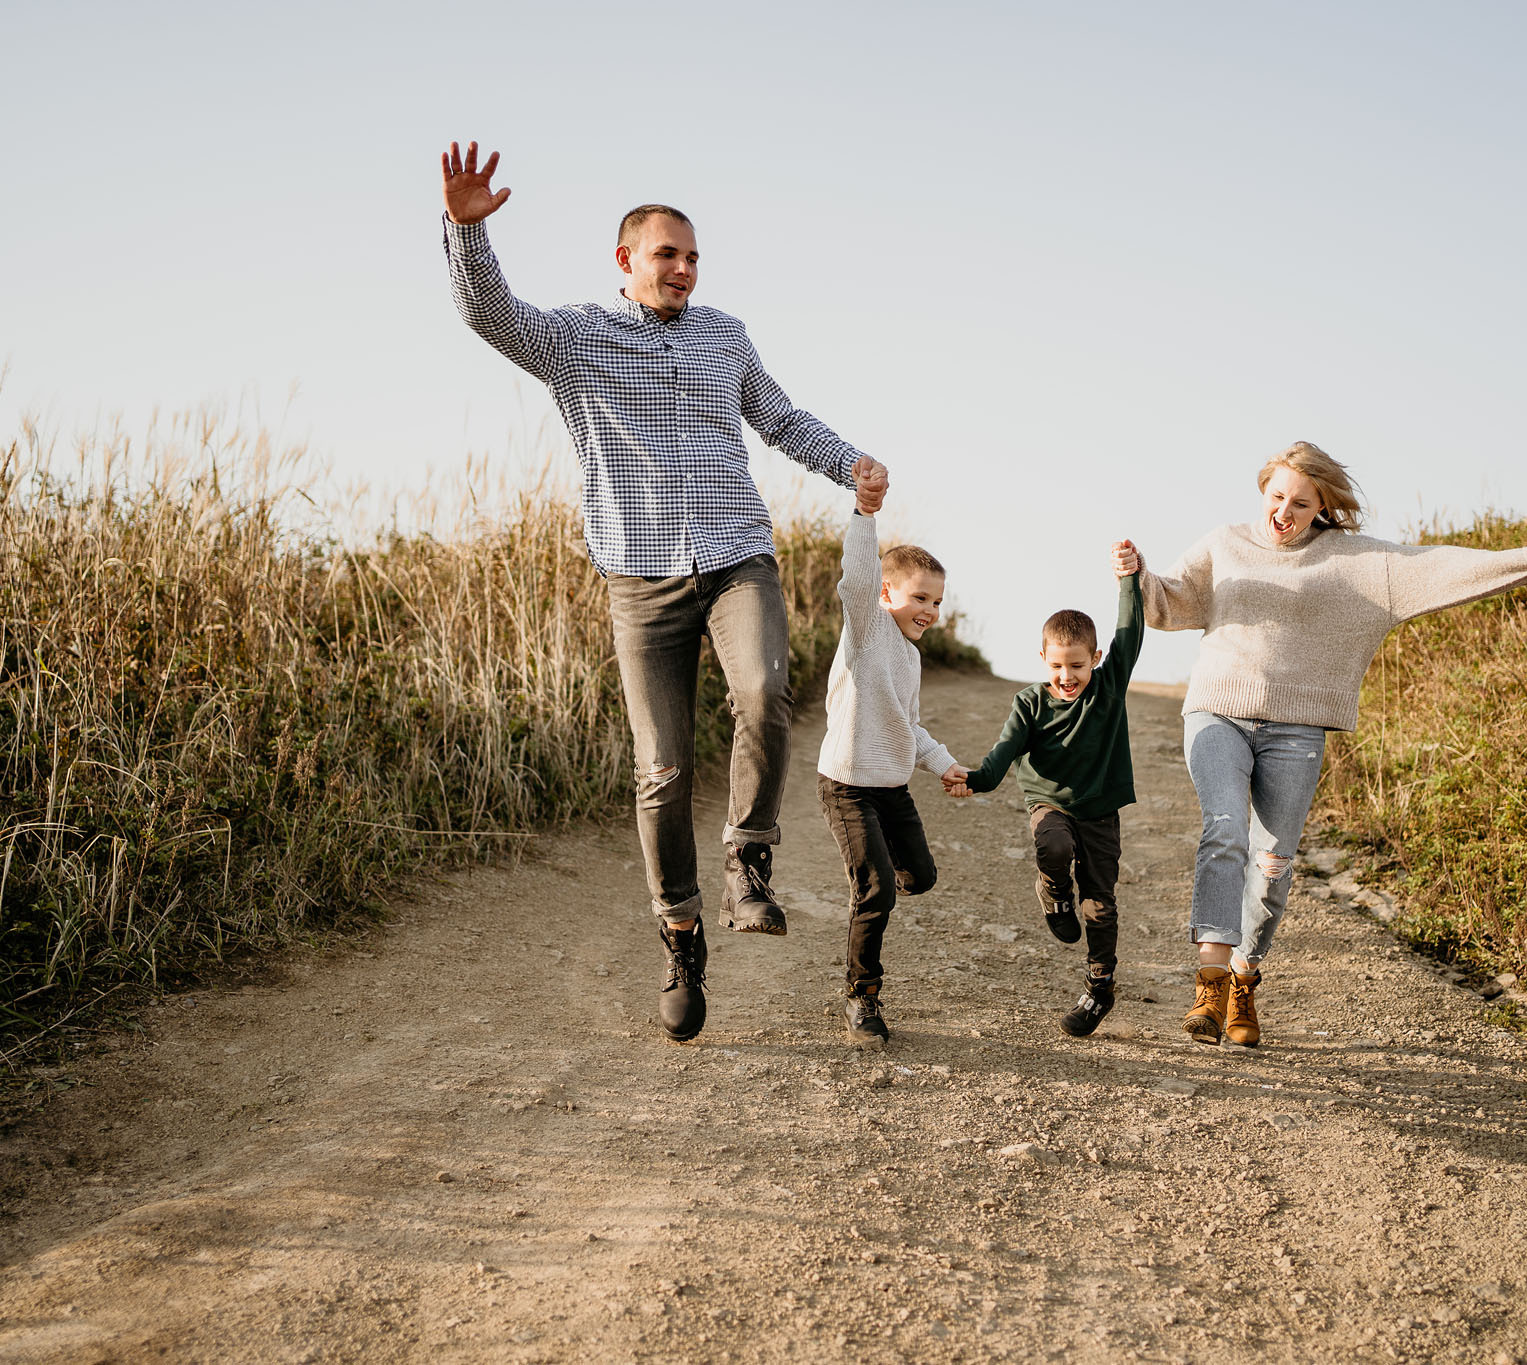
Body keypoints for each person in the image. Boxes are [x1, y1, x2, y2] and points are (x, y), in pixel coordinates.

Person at [438, 142, 889, 1043]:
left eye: (692, 258)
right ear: (626, 262)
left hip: (734, 555)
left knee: (765, 694)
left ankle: (747, 864)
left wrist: (849, 461)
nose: (683, 270)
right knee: (662, 769)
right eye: (666, 255)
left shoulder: (726, 334)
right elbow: (488, 314)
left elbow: (779, 416)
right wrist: (465, 229)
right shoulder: (576, 338)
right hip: (639, 579)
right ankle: (680, 935)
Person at [1118, 441, 1527, 1048]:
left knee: (1274, 864)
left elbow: (1435, 568)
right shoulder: (1224, 543)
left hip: (1297, 729)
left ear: (1323, 507)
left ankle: (1245, 977)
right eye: (1276, 496)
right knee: (1224, 829)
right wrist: (1138, 572)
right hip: (1216, 713)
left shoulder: (1356, 561)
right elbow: (1170, 603)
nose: (1284, 512)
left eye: (1300, 503)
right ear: (1263, 491)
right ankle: (1210, 981)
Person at [943, 548, 1144, 1037]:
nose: (1067, 676)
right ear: (1042, 659)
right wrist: (976, 779)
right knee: (1053, 846)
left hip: (1099, 812)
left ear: (1095, 659)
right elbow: (1004, 750)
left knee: (1099, 905)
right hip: (1049, 805)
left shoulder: (1109, 685)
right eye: (1057, 666)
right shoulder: (1030, 702)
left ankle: (1099, 988)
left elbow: (1129, 632)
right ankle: (1054, 892)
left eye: (1077, 665)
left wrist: (1128, 581)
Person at [814, 471, 970, 1044]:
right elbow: (856, 578)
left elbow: (911, 726)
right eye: (918, 598)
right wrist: (864, 514)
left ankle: (873, 881)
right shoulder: (867, 629)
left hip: (892, 790)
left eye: (936, 601)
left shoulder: (911, 657)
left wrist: (944, 764)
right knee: (878, 891)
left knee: (920, 878)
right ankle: (862, 995)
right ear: (888, 596)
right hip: (848, 786)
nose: (928, 610)